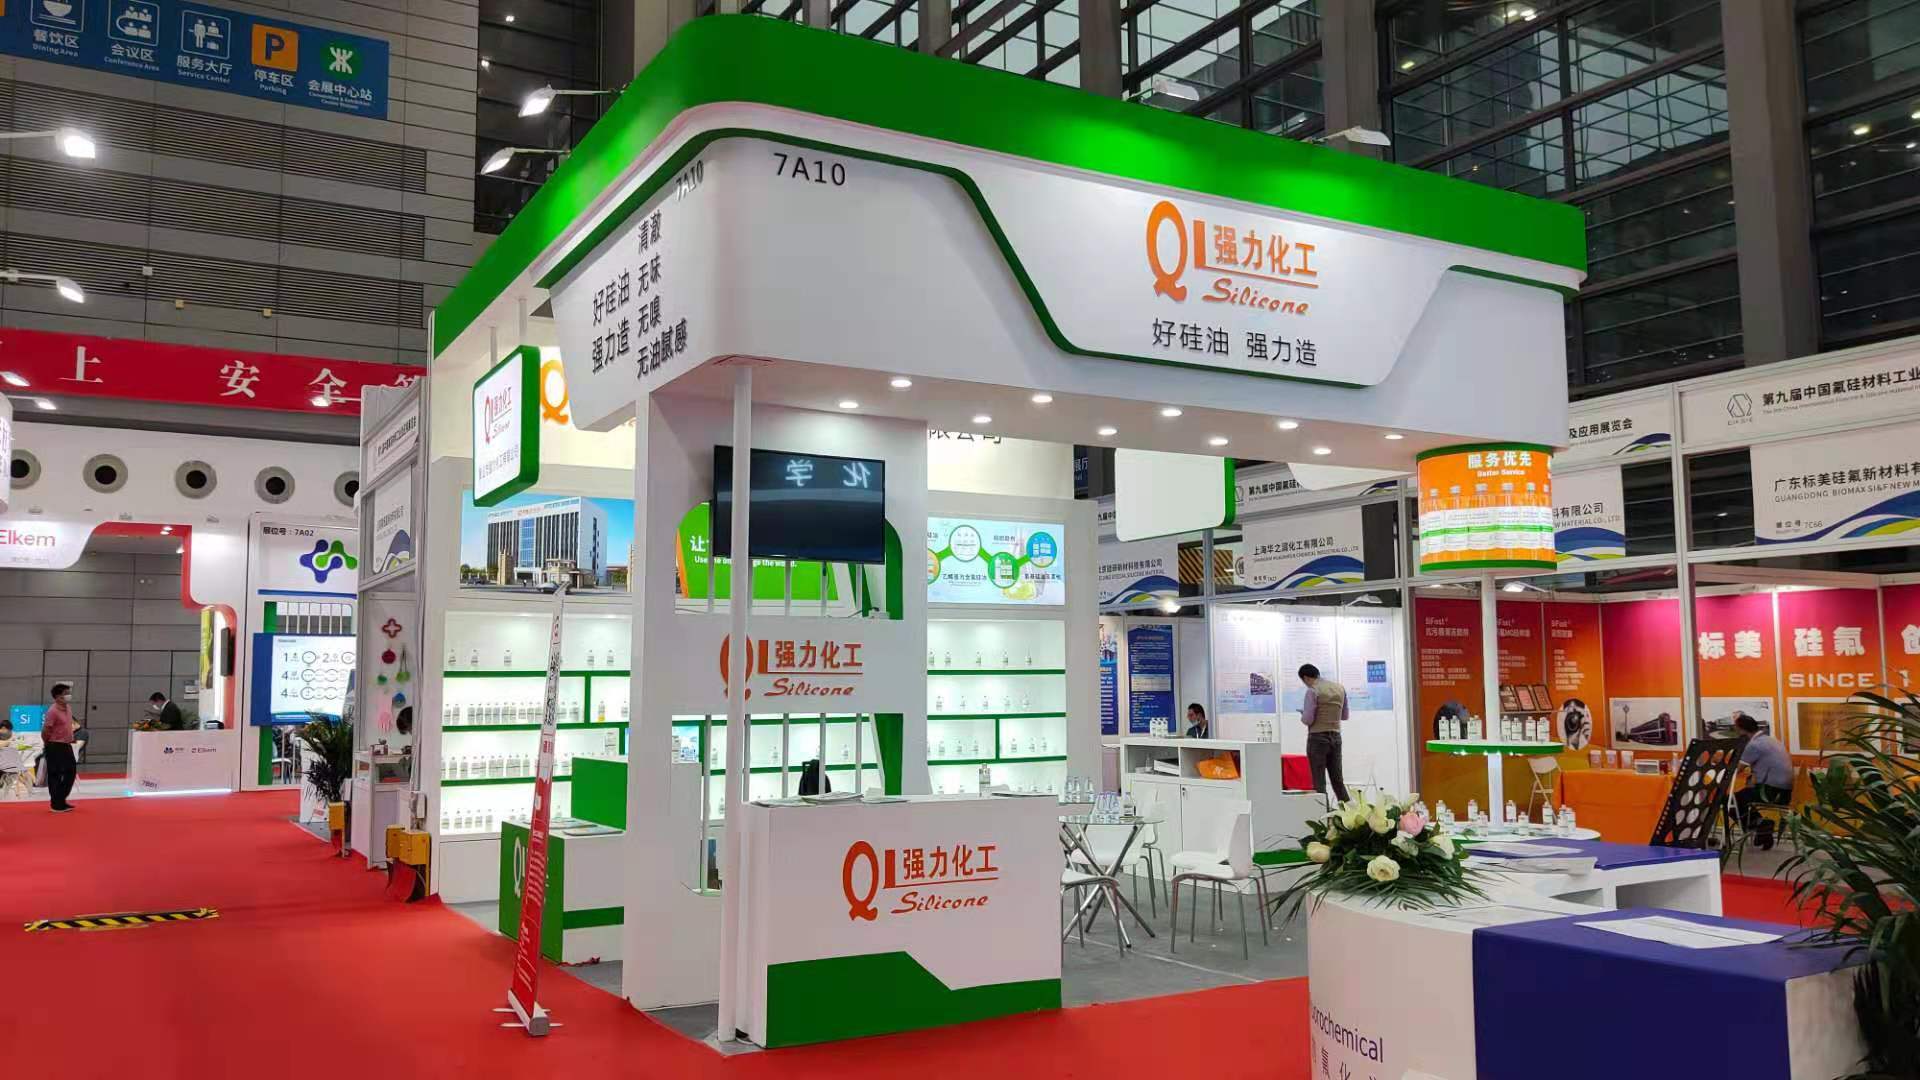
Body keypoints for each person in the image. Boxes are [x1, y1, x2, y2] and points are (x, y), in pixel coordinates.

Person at [1733, 713, 1792, 849]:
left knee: (1731, 801)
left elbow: (1736, 770)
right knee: (1743, 796)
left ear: (1741, 730)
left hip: (1770, 792)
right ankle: (1762, 830)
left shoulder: (1754, 745)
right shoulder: (1771, 740)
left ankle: (1762, 826)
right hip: (1785, 794)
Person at [1298, 663, 1350, 803]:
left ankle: (1322, 814)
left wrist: (1303, 714)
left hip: (1317, 738)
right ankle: (1349, 813)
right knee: (1338, 781)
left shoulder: (1312, 691)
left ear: (1305, 678)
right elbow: (1345, 716)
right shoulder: (1340, 688)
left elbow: (1308, 720)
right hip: (1336, 737)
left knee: (1319, 783)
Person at [42, 683, 77, 813]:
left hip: (66, 744)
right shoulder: (52, 711)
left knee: (71, 772)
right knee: (55, 774)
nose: (68, 696)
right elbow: (46, 730)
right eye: (65, 694)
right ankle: (56, 804)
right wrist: (48, 743)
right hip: (55, 745)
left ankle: (60, 799)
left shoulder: (68, 708)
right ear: (57, 697)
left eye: (69, 693)